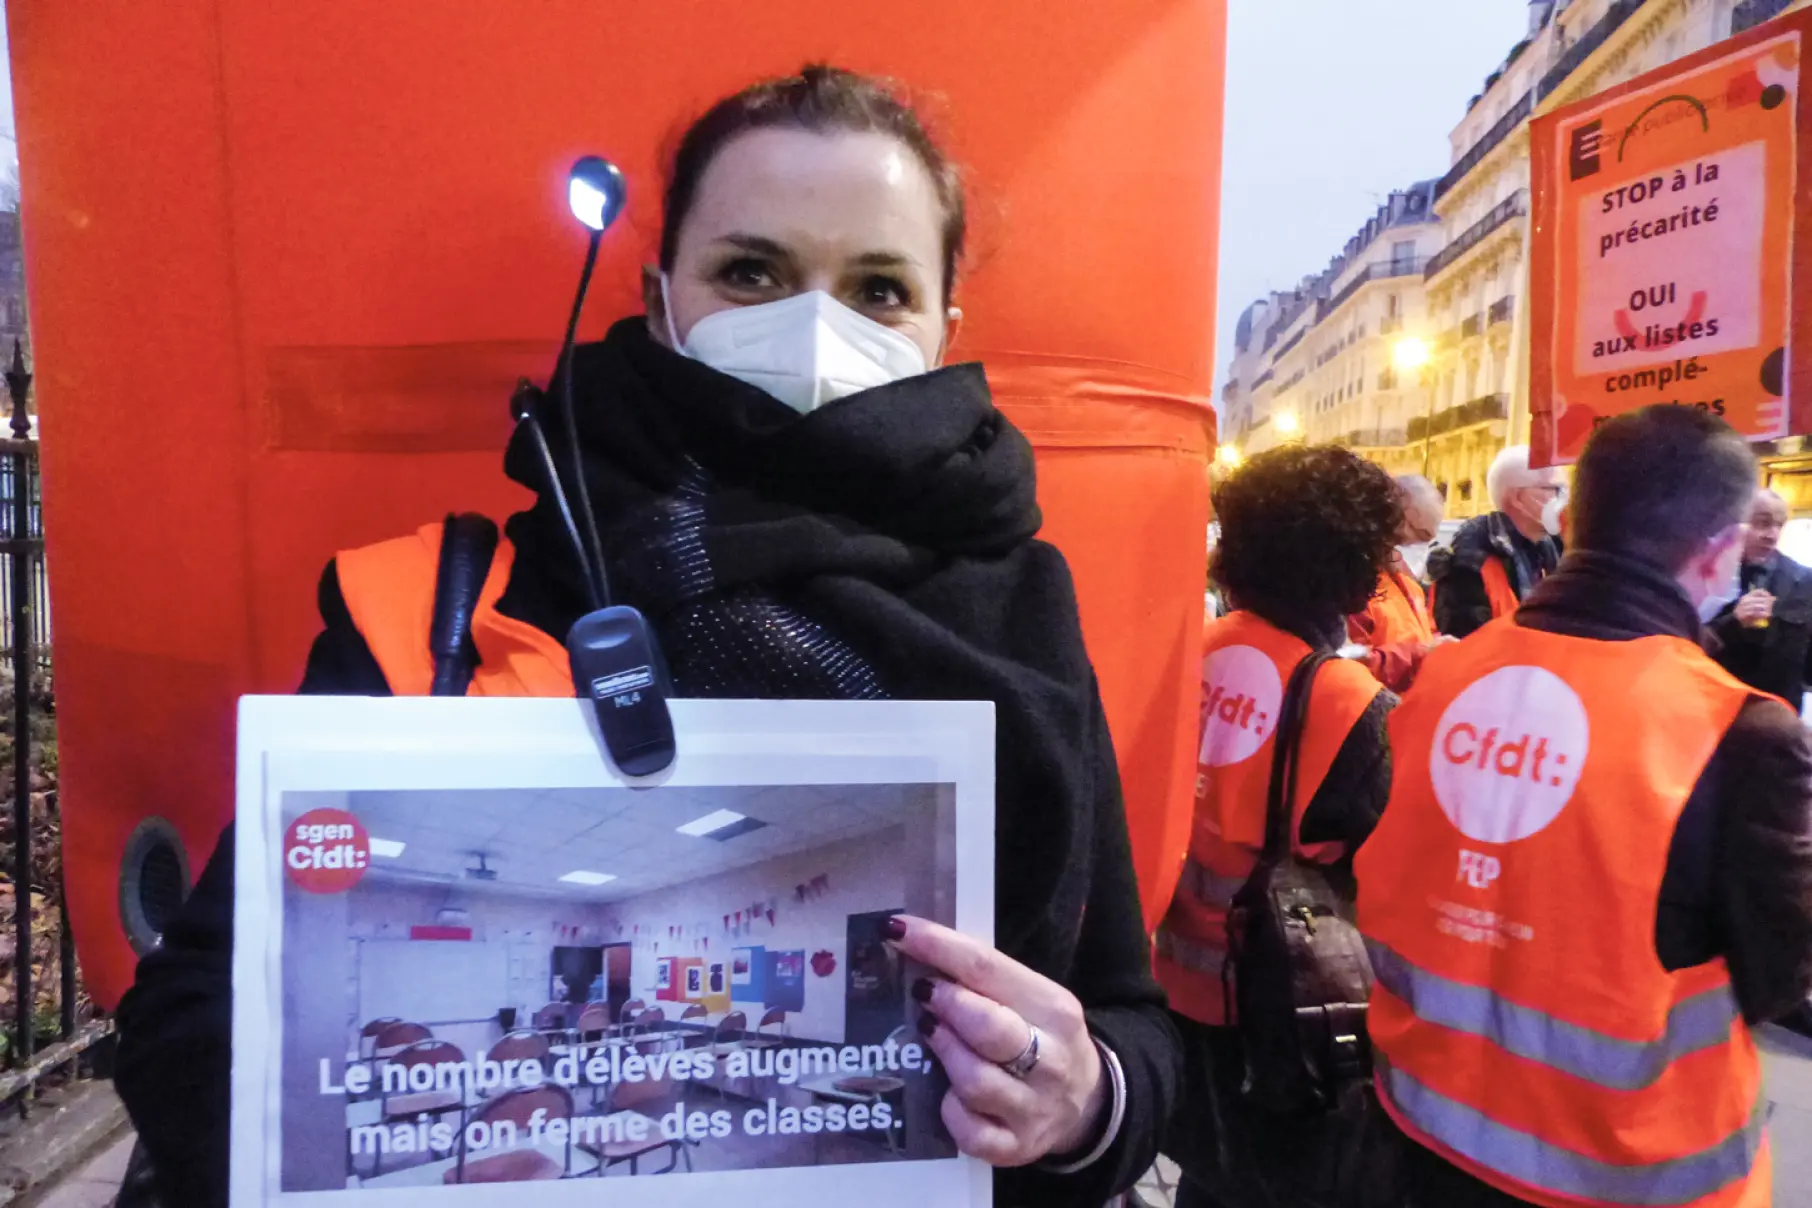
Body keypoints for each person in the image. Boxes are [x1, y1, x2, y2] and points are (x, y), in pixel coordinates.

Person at [112, 66, 1180, 1207]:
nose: (813, 326)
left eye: (877, 288)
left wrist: (1086, 1102)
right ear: (658, 290)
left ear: (940, 326)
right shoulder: (439, 605)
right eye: (751, 272)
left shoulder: (1022, 605)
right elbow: (184, 1020)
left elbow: (1131, 1030)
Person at [1356, 406, 1812, 1208]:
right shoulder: (1739, 732)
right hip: (1626, 1172)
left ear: (1576, 515)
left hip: (1417, 1136)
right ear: (1716, 550)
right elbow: (1781, 977)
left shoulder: (1447, 676)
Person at [1155, 444, 1401, 1208]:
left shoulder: (1188, 651)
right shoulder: (1349, 702)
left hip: (1169, 993)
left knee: (1209, 1178)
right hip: (1282, 1018)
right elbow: (1389, 884)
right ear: (1355, 563)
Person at [1429, 445, 1563, 637]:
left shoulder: (1555, 550)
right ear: (1517, 497)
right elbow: (1467, 641)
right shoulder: (1471, 556)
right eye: (1552, 488)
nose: (1561, 498)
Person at [1707, 488, 1812, 712]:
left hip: (1778, 714)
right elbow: (1685, 644)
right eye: (1762, 523)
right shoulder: (1709, 573)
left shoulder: (1805, 580)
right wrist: (1733, 622)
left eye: (1779, 525)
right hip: (1717, 709)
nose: (1772, 534)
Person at [1348, 474, 1447, 692]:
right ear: (1396, 518)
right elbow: (1350, 667)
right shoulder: (1351, 583)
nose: (1419, 545)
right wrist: (1421, 653)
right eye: (1420, 534)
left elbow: (1423, 633)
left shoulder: (1406, 580)